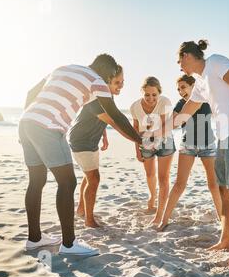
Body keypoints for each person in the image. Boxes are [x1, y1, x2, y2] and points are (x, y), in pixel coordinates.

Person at [19, 54, 142, 256]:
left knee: (37, 181)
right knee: (67, 183)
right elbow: (116, 115)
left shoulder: (63, 68)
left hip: (27, 123)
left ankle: (34, 239)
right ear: (108, 72)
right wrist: (139, 140)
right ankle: (69, 245)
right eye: (113, 78)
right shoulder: (97, 81)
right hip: (49, 128)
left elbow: (31, 92)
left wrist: (29, 120)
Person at [151, 40, 229, 269]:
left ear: (188, 56)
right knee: (224, 190)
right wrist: (160, 131)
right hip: (223, 137)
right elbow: (186, 112)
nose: (179, 65)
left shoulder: (216, 63)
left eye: (180, 60)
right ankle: (226, 240)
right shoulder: (200, 82)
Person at [69, 65, 134, 228]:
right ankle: (89, 220)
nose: (121, 86)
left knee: (89, 176)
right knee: (94, 178)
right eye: (117, 82)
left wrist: (103, 135)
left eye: (123, 82)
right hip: (80, 139)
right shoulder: (96, 96)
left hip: (91, 140)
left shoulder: (108, 98)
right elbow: (115, 121)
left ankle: (81, 210)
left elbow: (101, 119)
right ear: (107, 82)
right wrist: (138, 140)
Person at [157, 74, 222, 231]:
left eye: (183, 87)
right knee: (179, 184)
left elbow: (221, 113)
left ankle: (223, 219)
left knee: (214, 185)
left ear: (194, 86)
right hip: (188, 147)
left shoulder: (206, 102)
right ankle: (164, 221)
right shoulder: (180, 104)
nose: (180, 91)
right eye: (178, 89)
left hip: (209, 146)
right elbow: (171, 123)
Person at [130, 77, 175, 226]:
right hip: (144, 142)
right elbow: (135, 129)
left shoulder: (165, 102)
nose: (151, 98)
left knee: (163, 179)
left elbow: (162, 125)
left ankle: (159, 214)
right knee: (150, 174)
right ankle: (152, 196)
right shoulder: (135, 106)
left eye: (154, 95)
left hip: (164, 141)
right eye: (147, 94)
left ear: (159, 93)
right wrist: (137, 149)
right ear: (142, 92)